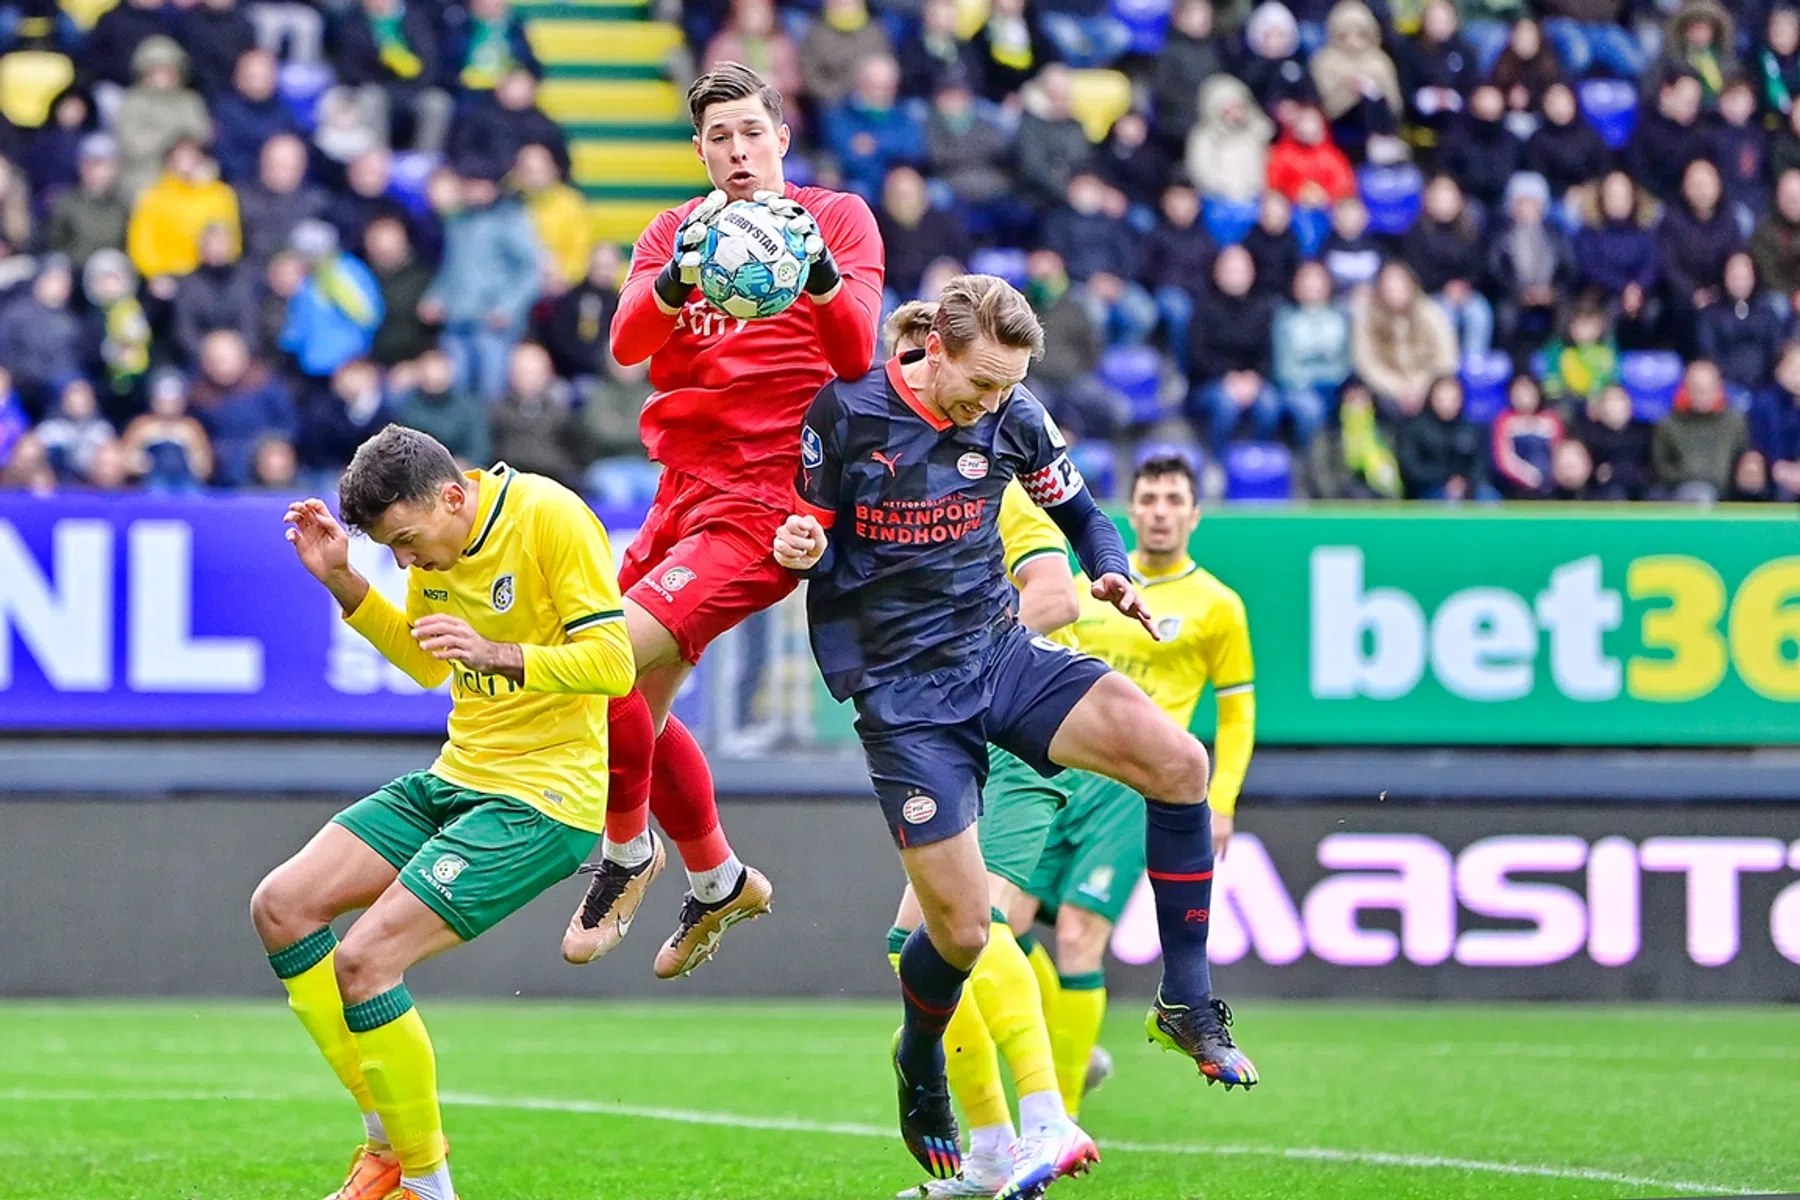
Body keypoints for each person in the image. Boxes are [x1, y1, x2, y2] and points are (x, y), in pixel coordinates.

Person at [776, 273, 1255, 1183]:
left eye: (1008, 386)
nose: (992, 403)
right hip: (902, 696)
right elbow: (813, 531)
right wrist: (802, 545)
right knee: (959, 934)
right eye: (981, 384)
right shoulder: (847, 413)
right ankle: (919, 1059)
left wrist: (1110, 571)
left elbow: (1080, 513)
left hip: (997, 655)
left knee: (1179, 762)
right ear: (934, 350)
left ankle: (1187, 998)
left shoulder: (1014, 414)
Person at [560, 62, 884, 978]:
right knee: (619, 692)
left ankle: (628, 851)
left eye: (751, 133)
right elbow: (626, 345)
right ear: (698, 151)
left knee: (604, 657)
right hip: (682, 495)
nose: (737, 153)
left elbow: (857, 351)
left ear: (781, 137)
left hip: (774, 501)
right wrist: (678, 276)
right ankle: (717, 876)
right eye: (718, 139)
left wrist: (810, 266)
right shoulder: (674, 232)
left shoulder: (840, 218)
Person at [253, 426, 635, 1200]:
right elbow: (430, 664)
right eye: (390, 550)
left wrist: (500, 652)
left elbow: (615, 665)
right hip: (458, 778)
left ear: (453, 496)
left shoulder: (547, 517)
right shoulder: (437, 547)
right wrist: (343, 580)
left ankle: (428, 1188)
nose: (406, 562)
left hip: (544, 799)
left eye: (406, 541)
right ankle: (388, 1144)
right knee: (282, 906)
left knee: (366, 963)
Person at [878, 300, 1093, 1199]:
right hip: (947, 726)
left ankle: (1046, 1117)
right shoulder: (896, 480)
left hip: (1006, 733)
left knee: (967, 930)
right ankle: (996, 1149)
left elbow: (1058, 593)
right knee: (911, 940)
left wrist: (956, 644)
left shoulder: (990, 485)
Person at [1010, 453, 1254, 1137]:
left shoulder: (1218, 607)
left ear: (1194, 514)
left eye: (1175, 499)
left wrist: (1223, 800)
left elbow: (1237, 713)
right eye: (1148, 498)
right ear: (1131, 508)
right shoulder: (1091, 584)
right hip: (1056, 767)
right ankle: (1071, 1045)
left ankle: (1058, 1121)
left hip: (1132, 787)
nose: (1160, 511)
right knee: (1002, 926)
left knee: (1083, 938)